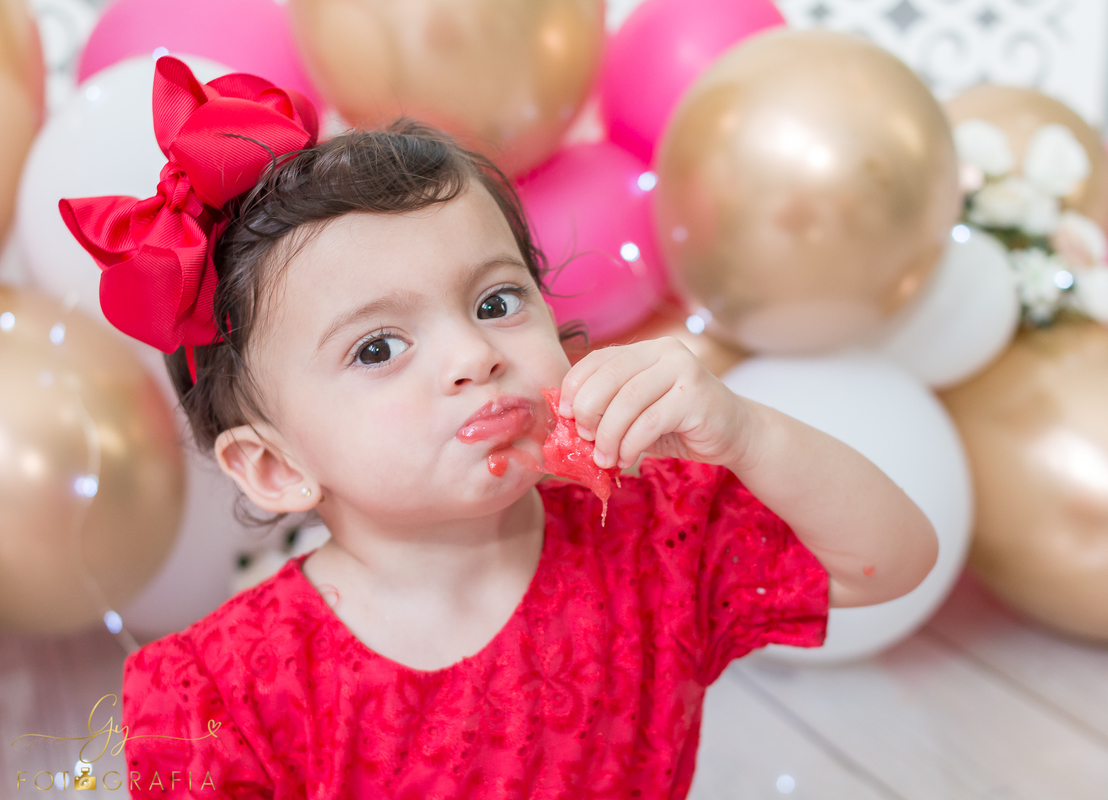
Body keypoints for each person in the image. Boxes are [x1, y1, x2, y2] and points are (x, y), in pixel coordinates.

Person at [61, 58, 938, 799]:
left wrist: (746, 433)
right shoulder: (227, 688)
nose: (474, 355)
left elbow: (889, 564)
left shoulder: (651, 538)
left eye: (494, 300)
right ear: (274, 465)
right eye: (378, 347)